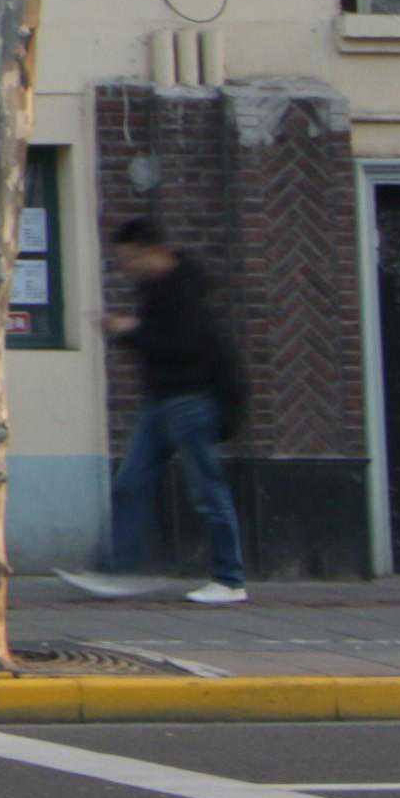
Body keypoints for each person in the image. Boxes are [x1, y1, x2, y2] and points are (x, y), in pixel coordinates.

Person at [104, 217, 249, 603]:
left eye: (131, 259)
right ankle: (123, 569)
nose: (127, 268)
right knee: (130, 482)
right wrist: (134, 332)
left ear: (154, 252)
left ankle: (230, 579)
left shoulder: (184, 291)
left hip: (192, 400)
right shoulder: (155, 291)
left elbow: (182, 347)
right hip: (163, 401)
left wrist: (130, 331)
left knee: (207, 489)